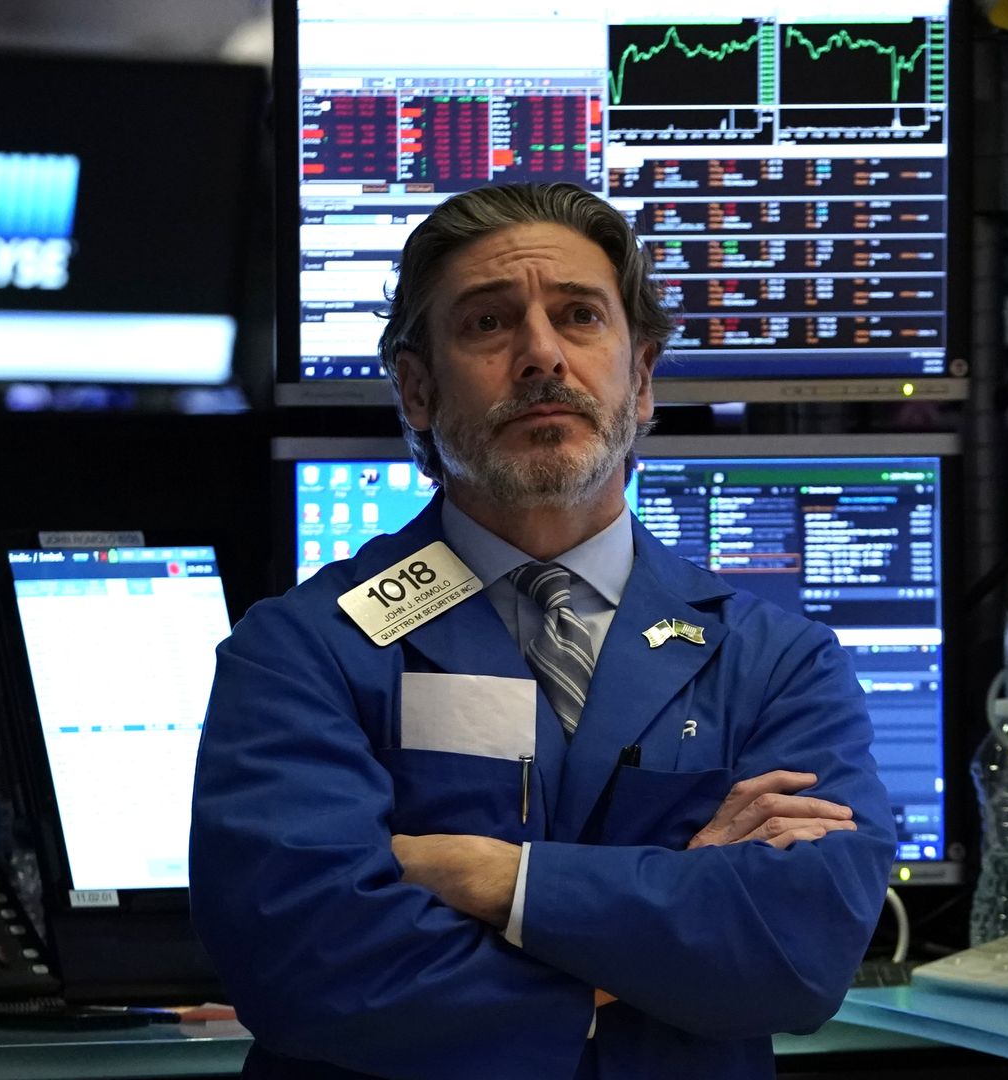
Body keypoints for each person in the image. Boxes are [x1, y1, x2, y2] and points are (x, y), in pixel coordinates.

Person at [189, 182, 895, 1079]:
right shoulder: (301, 652)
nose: (540, 356)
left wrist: (493, 880)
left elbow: (798, 948)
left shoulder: (777, 662)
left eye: (579, 317)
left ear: (640, 381)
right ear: (415, 389)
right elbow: (307, 960)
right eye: (487, 324)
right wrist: (653, 941)